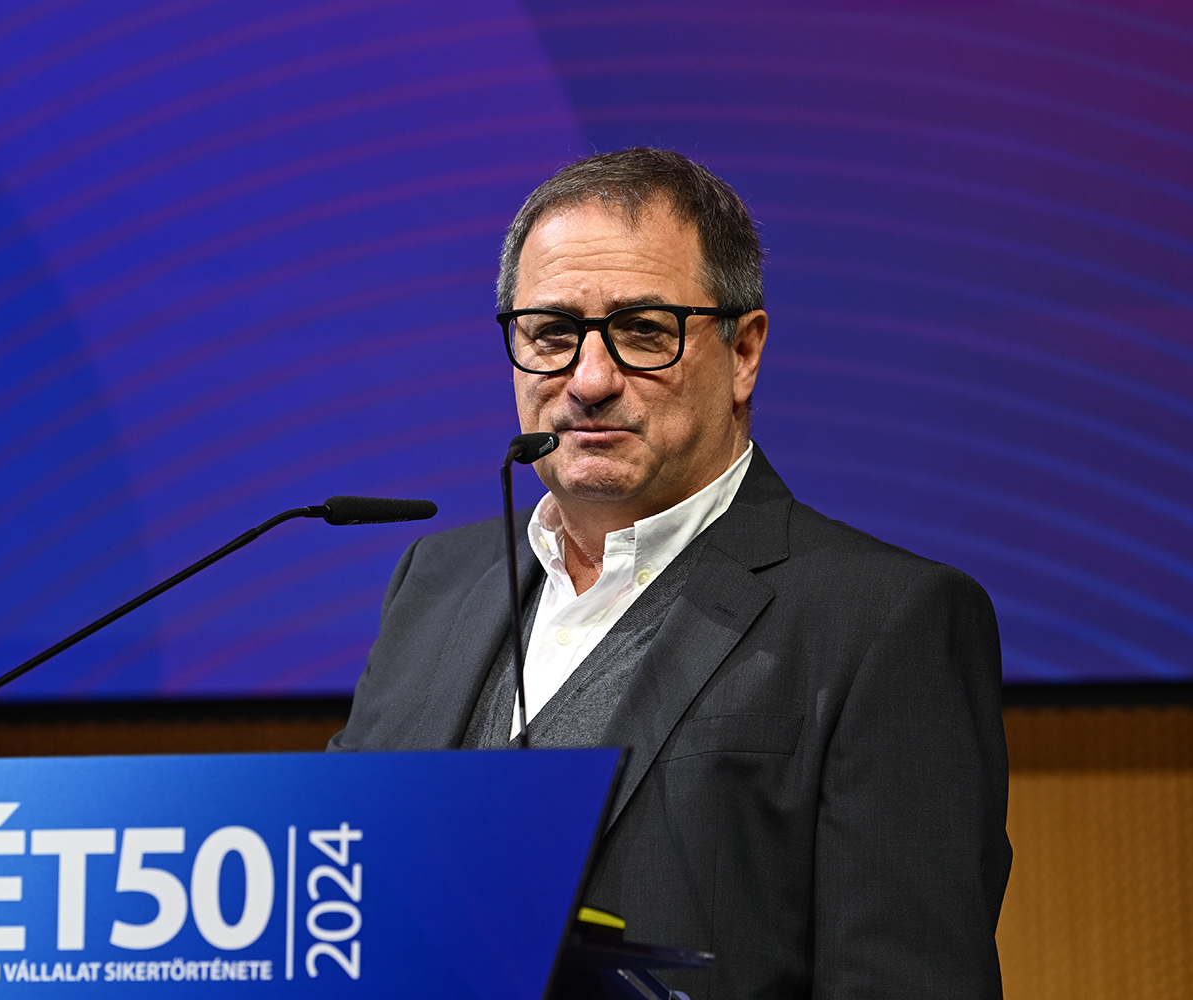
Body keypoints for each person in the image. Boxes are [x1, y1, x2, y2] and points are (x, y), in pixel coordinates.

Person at [329, 148, 1011, 999]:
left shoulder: (885, 621)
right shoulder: (433, 584)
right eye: (551, 334)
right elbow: (336, 896)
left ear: (744, 351)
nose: (589, 380)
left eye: (643, 331)